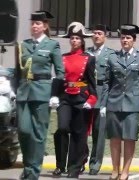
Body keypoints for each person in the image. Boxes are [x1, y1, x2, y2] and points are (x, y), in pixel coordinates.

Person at [100, 24, 139, 180]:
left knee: (130, 138)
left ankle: (125, 171)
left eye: (128, 38)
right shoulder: (112, 57)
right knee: (115, 138)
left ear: (134, 40)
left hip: (133, 103)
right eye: (123, 37)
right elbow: (106, 82)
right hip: (114, 102)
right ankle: (115, 169)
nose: (125, 40)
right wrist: (103, 104)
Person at [15, 11, 64, 179]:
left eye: (38, 23)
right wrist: (14, 90)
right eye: (32, 23)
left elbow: (60, 73)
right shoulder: (23, 45)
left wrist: (55, 94)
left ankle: (32, 172)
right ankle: (28, 165)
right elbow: (17, 70)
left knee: (38, 134)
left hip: (42, 93)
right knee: (24, 130)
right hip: (23, 92)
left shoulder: (52, 45)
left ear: (44, 26)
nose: (34, 26)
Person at [51, 22, 97, 178]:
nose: (74, 41)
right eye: (72, 38)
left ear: (82, 40)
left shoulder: (89, 59)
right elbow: (58, 78)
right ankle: (60, 165)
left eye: (77, 38)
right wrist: (54, 95)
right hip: (65, 97)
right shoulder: (63, 57)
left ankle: (74, 168)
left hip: (80, 98)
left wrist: (91, 100)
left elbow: (92, 83)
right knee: (62, 128)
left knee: (79, 134)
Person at [87, 24, 115, 175]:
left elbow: (112, 79)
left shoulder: (111, 55)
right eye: (94, 33)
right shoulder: (86, 53)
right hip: (86, 94)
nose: (96, 36)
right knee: (81, 131)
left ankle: (95, 163)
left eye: (99, 33)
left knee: (99, 132)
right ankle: (79, 160)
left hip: (102, 94)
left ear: (105, 36)